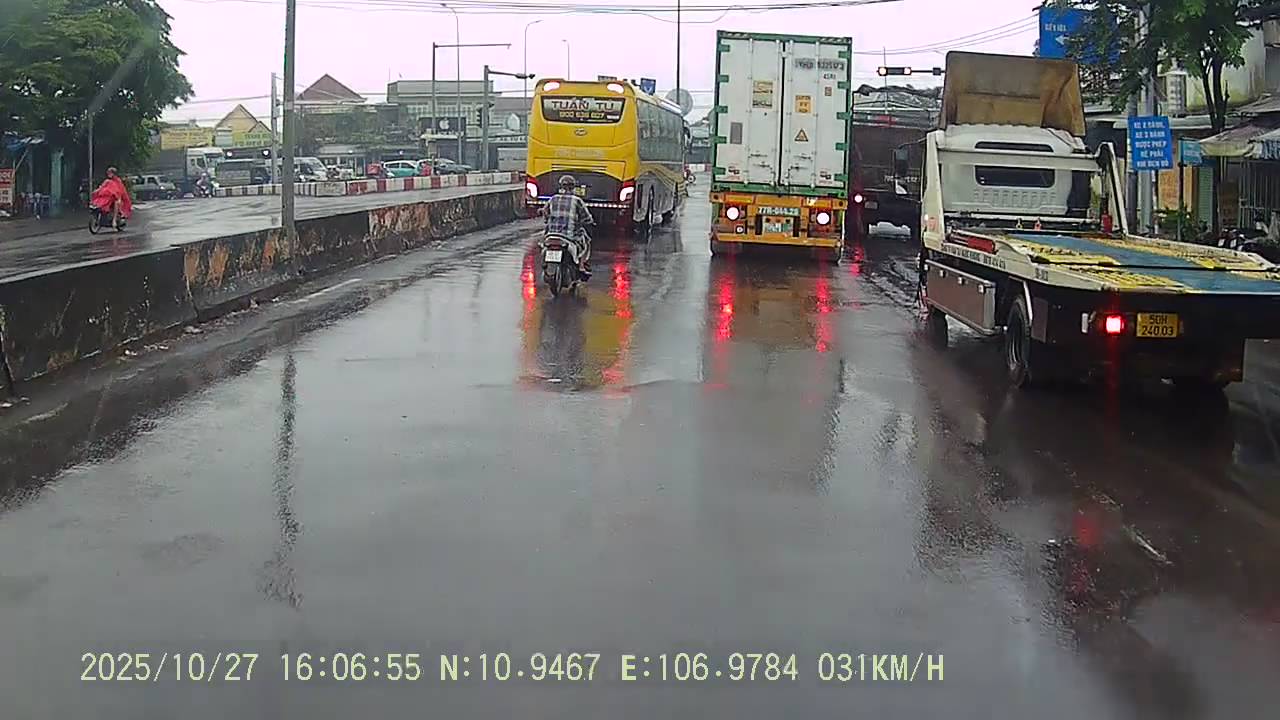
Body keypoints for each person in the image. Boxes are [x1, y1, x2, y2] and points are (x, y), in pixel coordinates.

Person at [541, 174, 594, 278]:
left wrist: (547, 220)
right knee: (586, 241)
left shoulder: (553, 199)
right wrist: (589, 221)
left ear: (561, 186)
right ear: (573, 187)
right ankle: (581, 266)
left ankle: (545, 263)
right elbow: (586, 217)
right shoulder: (577, 200)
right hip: (569, 236)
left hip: (552, 234)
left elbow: (545, 212)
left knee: (543, 243)